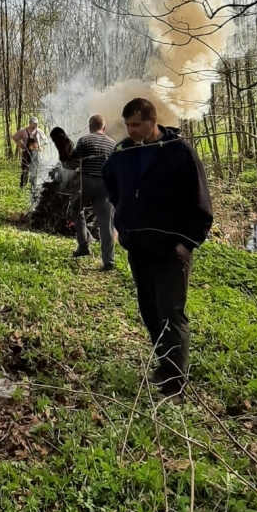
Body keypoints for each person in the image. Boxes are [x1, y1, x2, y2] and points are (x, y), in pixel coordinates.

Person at [102, 98, 213, 397]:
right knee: (149, 310)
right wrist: (124, 219)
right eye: (127, 125)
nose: (131, 130)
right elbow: (110, 181)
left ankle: (175, 382)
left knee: (170, 311)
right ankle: (165, 365)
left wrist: (187, 242)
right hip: (138, 246)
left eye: (136, 124)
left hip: (171, 249)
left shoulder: (179, 153)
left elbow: (201, 202)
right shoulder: (123, 152)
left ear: (153, 121)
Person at [71, 114, 117, 269]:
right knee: (106, 223)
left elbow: (76, 161)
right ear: (103, 127)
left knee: (76, 208)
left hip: (86, 182)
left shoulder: (84, 140)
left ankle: (83, 244)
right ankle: (108, 260)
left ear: (90, 127)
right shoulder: (112, 143)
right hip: (105, 185)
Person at [12, 117, 47, 192]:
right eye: (34, 123)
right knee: (25, 170)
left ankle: (33, 187)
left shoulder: (39, 131)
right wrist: (20, 145)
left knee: (34, 170)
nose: (35, 125)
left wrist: (41, 147)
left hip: (36, 154)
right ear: (30, 123)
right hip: (26, 154)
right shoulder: (23, 131)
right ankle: (22, 187)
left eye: (36, 123)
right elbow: (15, 137)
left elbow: (45, 140)